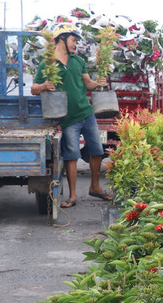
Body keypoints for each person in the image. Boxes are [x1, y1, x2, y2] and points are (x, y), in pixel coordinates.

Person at [31, 22, 113, 208]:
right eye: (73, 40)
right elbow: (34, 88)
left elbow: (87, 83)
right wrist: (44, 86)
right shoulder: (48, 64)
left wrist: (97, 83)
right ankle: (73, 195)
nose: (75, 44)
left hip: (86, 112)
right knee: (72, 155)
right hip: (68, 119)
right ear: (61, 39)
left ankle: (95, 186)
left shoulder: (78, 61)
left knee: (97, 151)